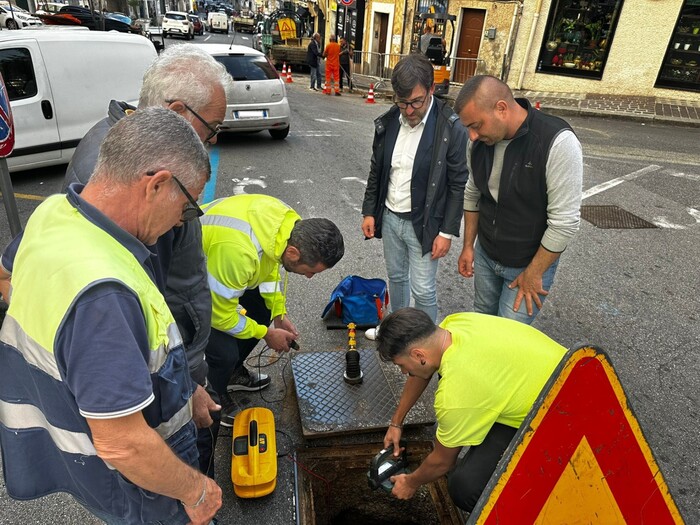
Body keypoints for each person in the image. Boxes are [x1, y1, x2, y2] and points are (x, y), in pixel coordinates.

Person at [0, 108, 222, 525]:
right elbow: (124, 445)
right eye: (188, 208)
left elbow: (5, 275)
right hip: (142, 490)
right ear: (157, 186)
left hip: (103, 474)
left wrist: (185, 389)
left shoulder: (55, 214)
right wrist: (197, 491)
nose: (181, 221)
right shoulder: (102, 296)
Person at [59, 43, 233, 477]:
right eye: (212, 129)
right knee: (179, 480)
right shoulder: (123, 183)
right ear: (177, 111)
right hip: (165, 382)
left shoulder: (140, 149)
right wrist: (186, 386)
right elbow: (130, 316)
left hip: (179, 361)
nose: (212, 141)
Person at [377, 307, 566, 513]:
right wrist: (396, 423)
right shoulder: (453, 325)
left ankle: (533, 508)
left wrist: (411, 482)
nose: (404, 372)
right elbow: (420, 372)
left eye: (401, 365)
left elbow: (442, 463)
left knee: (465, 488)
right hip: (575, 375)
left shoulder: (456, 394)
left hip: (565, 420)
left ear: (418, 354)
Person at [201, 194, 345, 428]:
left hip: (222, 265)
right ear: (293, 254)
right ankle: (214, 396)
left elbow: (268, 267)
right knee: (222, 351)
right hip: (189, 274)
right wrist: (266, 334)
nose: (309, 277)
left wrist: (278, 313)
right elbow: (220, 316)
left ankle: (233, 373)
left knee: (261, 309)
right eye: (311, 271)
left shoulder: (287, 225)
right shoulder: (239, 251)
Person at [454, 75, 583, 325]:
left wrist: (534, 273)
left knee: (509, 336)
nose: (471, 136)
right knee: (482, 319)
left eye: (476, 125)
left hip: (528, 264)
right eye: (467, 127)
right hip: (486, 254)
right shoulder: (479, 142)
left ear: (501, 108)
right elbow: (473, 192)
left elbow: (564, 223)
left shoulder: (557, 142)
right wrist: (468, 245)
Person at [361, 53, 468, 338]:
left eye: (416, 102)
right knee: (396, 278)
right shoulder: (389, 122)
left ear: (432, 89)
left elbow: (458, 184)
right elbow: (378, 169)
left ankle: (426, 340)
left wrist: (446, 231)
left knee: (423, 288)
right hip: (391, 215)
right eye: (401, 101)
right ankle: (396, 332)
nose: (408, 110)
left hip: (426, 223)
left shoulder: (450, 127)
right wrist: (370, 210)